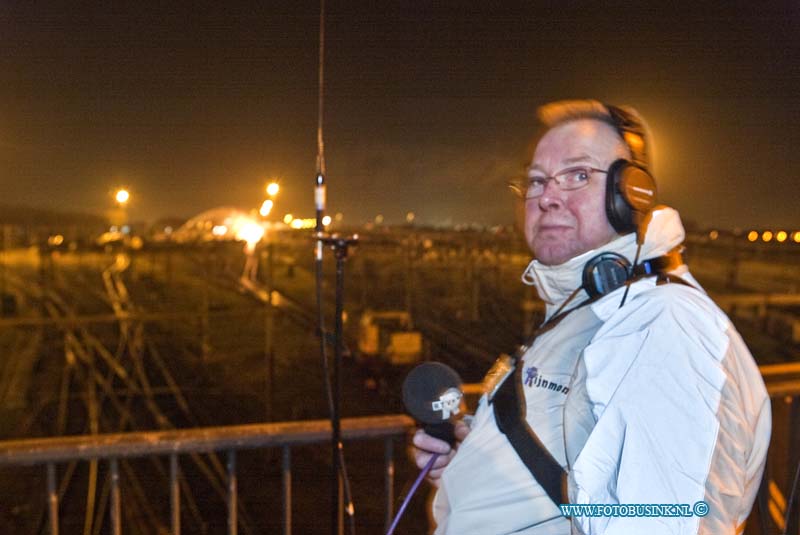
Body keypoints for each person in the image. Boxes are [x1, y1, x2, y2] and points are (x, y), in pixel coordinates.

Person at [412, 100, 771, 534]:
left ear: (630, 195)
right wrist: (474, 463)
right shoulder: (588, 309)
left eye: (578, 175)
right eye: (537, 181)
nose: (546, 197)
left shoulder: (662, 325)